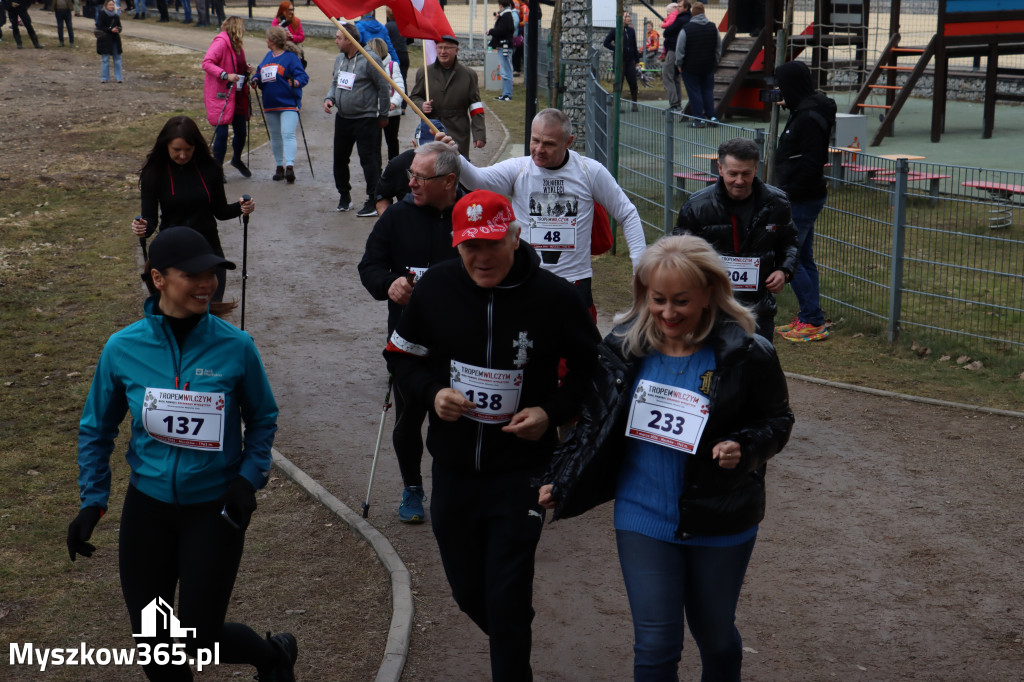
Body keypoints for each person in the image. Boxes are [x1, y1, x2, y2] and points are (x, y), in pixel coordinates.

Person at [538, 234, 794, 682]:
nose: (668, 313)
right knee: (656, 645)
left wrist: (745, 447)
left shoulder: (747, 353)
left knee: (715, 636)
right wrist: (561, 478)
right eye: (658, 300)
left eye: (681, 301)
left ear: (709, 294)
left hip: (720, 516)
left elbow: (777, 420)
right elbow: (594, 422)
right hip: (642, 514)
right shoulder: (622, 348)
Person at [385, 189, 600, 681]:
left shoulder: (555, 297)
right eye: (470, 246)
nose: (482, 257)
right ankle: (511, 627)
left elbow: (593, 373)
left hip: (522, 471)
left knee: (507, 595)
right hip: (454, 468)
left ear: (515, 237)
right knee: (468, 592)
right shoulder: (437, 288)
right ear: (457, 244)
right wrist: (433, 392)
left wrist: (550, 411)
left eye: (492, 244)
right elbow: (401, 356)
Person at [68, 227, 298, 682]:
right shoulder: (123, 348)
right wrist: (92, 502)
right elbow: (96, 429)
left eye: (212, 273)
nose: (207, 283)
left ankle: (273, 656)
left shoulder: (236, 346)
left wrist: (247, 480)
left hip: (213, 510)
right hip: (148, 509)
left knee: (198, 638)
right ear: (158, 278)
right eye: (193, 274)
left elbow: (263, 418)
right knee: (155, 646)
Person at [358, 142, 464, 523]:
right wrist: (389, 284)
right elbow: (369, 267)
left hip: (462, 341)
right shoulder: (396, 217)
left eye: (421, 177)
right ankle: (412, 487)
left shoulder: (470, 213)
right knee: (408, 421)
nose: (412, 183)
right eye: (411, 175)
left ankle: (456, 487)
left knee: (456, 419)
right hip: (409, 341)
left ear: (449, 181)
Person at [452, 108, 647, 315]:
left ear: (568, 142)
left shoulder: (590, 171)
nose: (539, 149)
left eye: (549, 144)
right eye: (535, 140)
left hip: (574, 282)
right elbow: (476, 181)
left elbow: (628, 214)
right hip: (529, 280)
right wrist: (455, 155)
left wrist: (640, 269)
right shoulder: (519, 169)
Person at [672, 137, 797, 339]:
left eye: (746, 174)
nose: (739, 181)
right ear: (720, 169)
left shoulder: (777, 203)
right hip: (710, 308)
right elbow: (678, 252)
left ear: (755, 169)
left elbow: (790, 243)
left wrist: (784, 270)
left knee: (756, 358)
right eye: (733, 174)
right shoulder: (697, 206)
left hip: (758, 309)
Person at [131, 115, 256, 302]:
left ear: (196, 146)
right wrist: (142, 227)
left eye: (188, 149)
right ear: (166, 146)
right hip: (172, 253)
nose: (182, 155)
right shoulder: (154, 172)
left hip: (208, 250)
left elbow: (220, 211)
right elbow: (150, 221)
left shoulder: (211, 168)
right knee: (179, 312)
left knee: (211, 308)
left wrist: (242, 207)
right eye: (176, 150)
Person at [773, 60, 836, 343]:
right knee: (803, 257)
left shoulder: (809, 117)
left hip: (801, 198)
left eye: (782, 86)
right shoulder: (803, 110)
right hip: (801, 194)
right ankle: (809, 315)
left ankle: (813, 320)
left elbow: (813, 160)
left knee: (791, 259)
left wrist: (789, 191)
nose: (778, 91)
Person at [323, 22, 390, 216]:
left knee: (369, 161)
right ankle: (344, 196)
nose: (335, 41)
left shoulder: (370, 59)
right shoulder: (339, 59)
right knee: (339, 159)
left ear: (350, 40)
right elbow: (335, 82)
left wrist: (383, 114)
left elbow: (383, 87)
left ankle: (373, 200)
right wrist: (329, 98)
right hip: (343, 118)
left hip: (366, 119)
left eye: (339, 38)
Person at [409, 34, 485, 159]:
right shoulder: (425, 72)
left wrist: (479, 134)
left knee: (458, 165)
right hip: (431, 129)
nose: (443, 51)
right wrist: (421, 105)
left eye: (447, 48)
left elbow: (476, 107)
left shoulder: (468, 74)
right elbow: (414, 97)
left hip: (458, 130)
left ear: (456, 50)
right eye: (440, 48)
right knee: (432, 164)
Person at [252, 25, 309, 184]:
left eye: (267, 38)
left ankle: (289, 166)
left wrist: (295, 82)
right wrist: (255, 79)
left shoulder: (290, 57)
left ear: (272, 40)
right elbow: (259, 72)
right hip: (270, 103)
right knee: (275, 135)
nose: (265, 40)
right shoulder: (268, 56)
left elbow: (303, 76)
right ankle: (279, 167)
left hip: (289, 103)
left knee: (288, 133)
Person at [202, 16, 253, 178]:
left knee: (241, 132)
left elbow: (236, 65)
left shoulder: (237, 45)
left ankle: (236, 159)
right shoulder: (221, 42)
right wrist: (225, 75)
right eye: (242, 27)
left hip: (237, 95)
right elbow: (207, 63)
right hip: (221, 94)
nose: (244, 30)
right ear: (236, 28)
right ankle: (218, 169)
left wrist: (245, 69)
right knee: (222, 134)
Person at [373, 119, 447, 216]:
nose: (430, 156)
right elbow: (382, 196)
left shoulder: (458, 165)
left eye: (436, 151)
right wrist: (388, 221)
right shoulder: (399, 164)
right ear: (415, 145)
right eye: (424, 150)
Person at [675, 2, 721, 126]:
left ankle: (699, 119)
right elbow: (718, 47)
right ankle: (712, 117)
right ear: (704, 12)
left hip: (690, 67)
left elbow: (680, 49)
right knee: (708, 91)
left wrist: (679, 64)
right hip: (708, 66)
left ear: (692, 14)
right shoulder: (713, 27)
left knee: (694, 93)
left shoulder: (686, 29)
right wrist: (715, 60)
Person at [367, 37, 405, 162]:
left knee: (392, 141)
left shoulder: (392, 66)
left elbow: (399, 87)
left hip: (391, 112)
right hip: (374, 111)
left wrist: (394, 102)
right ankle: (376, 168)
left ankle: (394, 165)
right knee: (374, 143)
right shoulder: (368, 65)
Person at [604, 11, 640, 112]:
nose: (628, 18)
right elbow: (606, 43)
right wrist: (617, 49)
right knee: (619, 83)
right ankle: (617, 105)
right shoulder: (615, 30)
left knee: (633, 83)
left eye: (629, 16)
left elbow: (634, 46)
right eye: (626, 16)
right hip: (620, 62)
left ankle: (634, 104)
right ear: (621, 18)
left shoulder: (631, 31)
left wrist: (637, 61)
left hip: (630, 61)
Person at [661, 0, 691, 112]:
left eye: (680, 6)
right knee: (676, 77)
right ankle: (677, 103)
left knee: (667, 75)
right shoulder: (689, 18)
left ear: (686, 8)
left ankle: (674, 104)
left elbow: (667, 32)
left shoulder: (680, 20)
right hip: (682, 50)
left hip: (673, 50)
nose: (678, 8)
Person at [488, 0, 515, 102]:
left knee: (506, 71)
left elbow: (501, 30)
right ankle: (505, 93)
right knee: (505, 71)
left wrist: (490, 31)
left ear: (500, 6)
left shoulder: (506, 16)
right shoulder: (507, 15)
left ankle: (507, 94)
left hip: (504, 47)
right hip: (504, 46)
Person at [384, 7, 412, 107]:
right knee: (403, 79)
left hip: (393, 55)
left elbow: (385, 40)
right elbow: (410, 40)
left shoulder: (388, 26)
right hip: (404, 54)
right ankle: (404, 104)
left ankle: (394, 102)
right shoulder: (404, 25)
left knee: (394, 79)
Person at [96, 0, 123, 82]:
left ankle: (119, 77)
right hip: (105, 40)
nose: (111, 6)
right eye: (110, 5)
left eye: (112, 5)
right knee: (105, 59)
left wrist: (118, 29)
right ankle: (104, 78)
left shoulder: (116, 15)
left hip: (115, 39)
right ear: (106, 5)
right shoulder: (102, 14)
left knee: (117, 59)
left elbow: (120, 26)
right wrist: (110, 30)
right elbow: (100, 26)